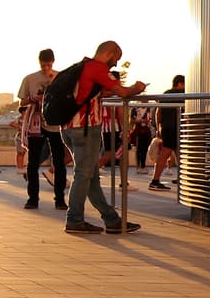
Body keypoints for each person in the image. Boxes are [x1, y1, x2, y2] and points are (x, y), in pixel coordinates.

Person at [60, 41, 147, 234]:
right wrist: (137, 88)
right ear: (109, 53)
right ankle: (74, 219)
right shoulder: (97, 68)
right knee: (83, 175)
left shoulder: (81, 67)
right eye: (116, 59)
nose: (115, 64)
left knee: (91, 177)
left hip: (68, 127)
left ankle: (111, 219)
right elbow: (123, 92)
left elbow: (92, 93)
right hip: (86, 128)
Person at [17, 49, 68, 210]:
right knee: (33, 162)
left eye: (49, 65)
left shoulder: (60, 77)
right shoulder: (30, 79)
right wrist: (34, 98)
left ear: (53, 62)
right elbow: (21, 103)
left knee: (59, 162)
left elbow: (67, 99)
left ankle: (60, 199)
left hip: (55, 124)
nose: (46, 68)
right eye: (43, 65)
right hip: (36, 124)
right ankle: (33, 198)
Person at [150, 75, 184, 190]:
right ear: (179, 84)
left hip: (166, 127)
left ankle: (182, 177)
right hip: (174, 128)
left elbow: (158, 112)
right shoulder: (181, 94)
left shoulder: (166, 94)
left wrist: (158, 127)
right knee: (165, 153)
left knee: (178, 152)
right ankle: (155, 181)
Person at [130, 109, 153, 173]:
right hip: (138, 131)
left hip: (146, 132)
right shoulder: (135, 109)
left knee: (145, 150)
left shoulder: (148, 109)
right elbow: (131, 120)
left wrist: (147, 121)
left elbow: (149, 119)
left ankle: (143, 166)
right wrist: (141, 121)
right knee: (139, 150)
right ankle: (138, 166)